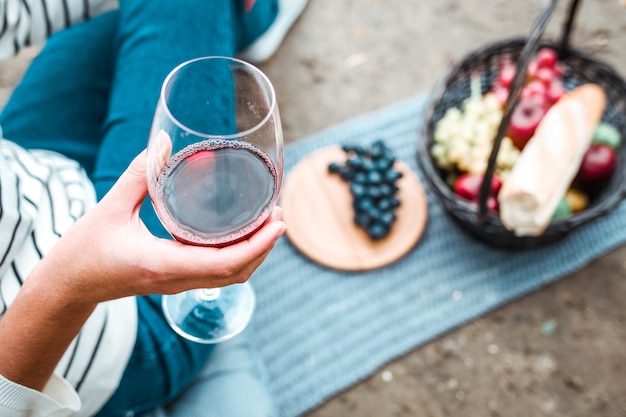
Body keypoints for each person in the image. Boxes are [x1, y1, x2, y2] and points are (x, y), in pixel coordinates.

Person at [0, 0, 308, 416]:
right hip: (109, 321)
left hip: (28, 166)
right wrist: (69, 287)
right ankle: (252, 18)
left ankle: (246, 18)